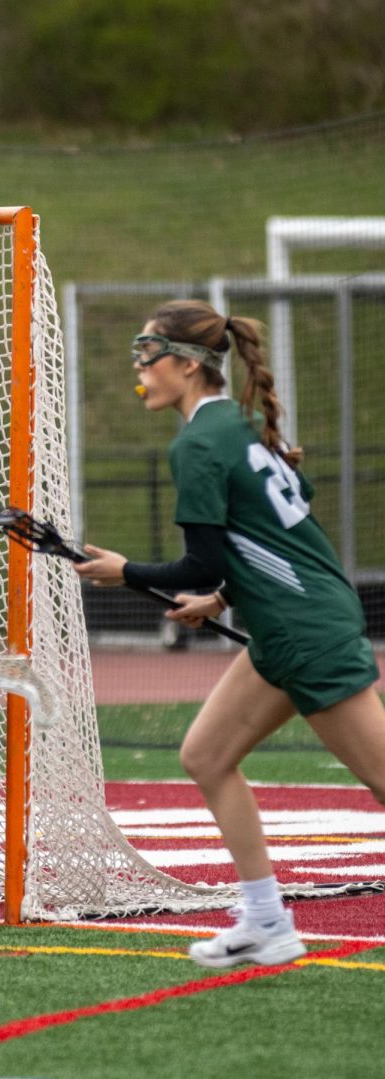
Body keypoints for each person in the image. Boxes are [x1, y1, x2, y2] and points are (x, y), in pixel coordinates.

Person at [74, 298, 385, 968]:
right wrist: (216, 597)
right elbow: (269, 531)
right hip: (289, 626)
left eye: (145, 354)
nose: (137, 368)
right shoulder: (234, 428)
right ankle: (267, 920)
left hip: (305, 631)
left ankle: (266, 920)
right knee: (205, 755)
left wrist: (123, 571)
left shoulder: (196, 444)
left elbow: (203, 558)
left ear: (186, 365)